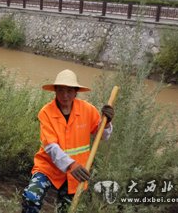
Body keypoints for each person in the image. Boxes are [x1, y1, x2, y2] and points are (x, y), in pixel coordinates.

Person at [21, 69, 115, 213]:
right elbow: (51, 147)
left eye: (69, 91)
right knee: (31, 197)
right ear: (55, 91)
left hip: (75, 174)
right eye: (61, 91)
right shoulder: (46, 112)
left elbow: (103, 136)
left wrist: (107, 123)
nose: (65, 95)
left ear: (76, 92)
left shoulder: (87, 110)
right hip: (48, 168)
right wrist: (71, 164)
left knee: (66, 209)